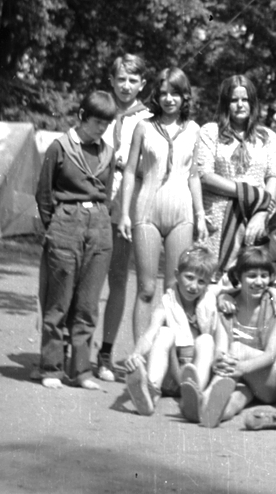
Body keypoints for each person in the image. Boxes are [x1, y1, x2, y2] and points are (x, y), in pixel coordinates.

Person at [118, 67, 204, 350]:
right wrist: (124, 213)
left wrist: (200, 216)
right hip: (146, 213)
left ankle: (166, 360)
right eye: (164, 93)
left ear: (184, 96)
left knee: (173, 289)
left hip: (182, 215)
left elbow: (194, 177)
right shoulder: (143, 126)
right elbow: (130, 171)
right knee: (146, 289)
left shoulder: (194, 130)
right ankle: (139, 357)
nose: (169, 99)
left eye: (175, 93)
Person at [36, 90, 117, 389]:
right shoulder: (60, 147)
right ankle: (51, 368)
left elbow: (106, 193)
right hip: (65, 222)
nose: (101, 128)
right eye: (96, 121)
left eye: (106, 124)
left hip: (98, 224)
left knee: (87, 303)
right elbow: (44, 193)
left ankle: (81, 371)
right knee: (58, 301)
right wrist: (55, 226)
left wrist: (100, 220)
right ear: (82, 116)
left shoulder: (107, 152)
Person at [94, 53, 151, 381]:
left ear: (142, 84)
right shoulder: (100, 109)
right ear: (111, 81)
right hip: (93, 200)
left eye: (133, 80)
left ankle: (106, 352)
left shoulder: (149, 118)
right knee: (88, 277)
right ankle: (76, 348)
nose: (126, 86)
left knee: (118, 279)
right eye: (121, 79)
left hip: (126, 207)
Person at [196, 75, 276, 273]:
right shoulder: (210, 132)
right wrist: (248, 192)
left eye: (245, 100)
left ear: (253, 103)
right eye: (234, 100)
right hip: (217, 218)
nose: (240, 105)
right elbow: (205, 175)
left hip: (255, 219)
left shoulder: (267, 136)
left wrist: (261, 212)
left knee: (249, 276)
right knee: (212, 276)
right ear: (225, 104)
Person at [194, 246, 276, 427]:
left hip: (271, 381)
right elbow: (221, 349)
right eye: (252, 275)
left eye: (264, 276)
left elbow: (270, 355)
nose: (259, 281)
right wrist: (219, 361)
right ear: (239, 277)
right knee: (237, 399)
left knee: (237, 348)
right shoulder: (227, 307)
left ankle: (202, 399)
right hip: (242, 376)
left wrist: (240, 368)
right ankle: (211, 413)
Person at [121, 246, 219, 417]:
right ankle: (151, 391)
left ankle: (194, 396)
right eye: (189, 277)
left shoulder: (209, 302)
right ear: (176, 275)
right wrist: (136, 354)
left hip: (194, 373)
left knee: (206, 340)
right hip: (171, 372)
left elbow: (232, 285)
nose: (194, 286)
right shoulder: (167, 303)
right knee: (165, 333)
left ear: (208, 283)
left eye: (201, 281)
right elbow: (150, 334)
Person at [218, 208, 276, 320]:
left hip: (273, 311)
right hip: (242, 310)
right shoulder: (252, 256)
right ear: (268, 232)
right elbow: (229, 287)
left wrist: (273, 295)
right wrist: (272, 292)